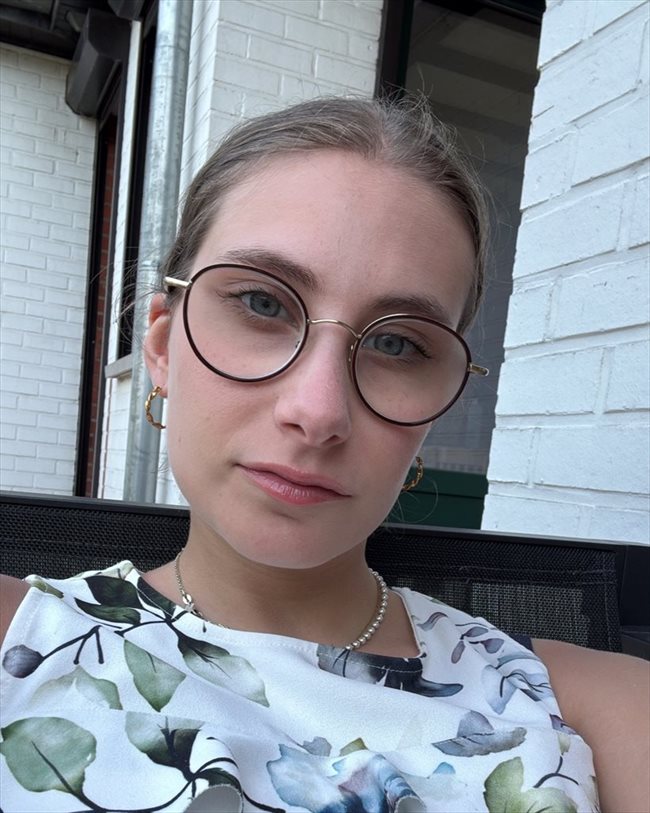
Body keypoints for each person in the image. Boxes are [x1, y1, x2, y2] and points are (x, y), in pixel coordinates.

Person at [0, 96, 647, 813]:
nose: (319, 412)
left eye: (398, 343)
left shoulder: (595, 711)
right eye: (262, 303)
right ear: (161, 344)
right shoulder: (16, 643)